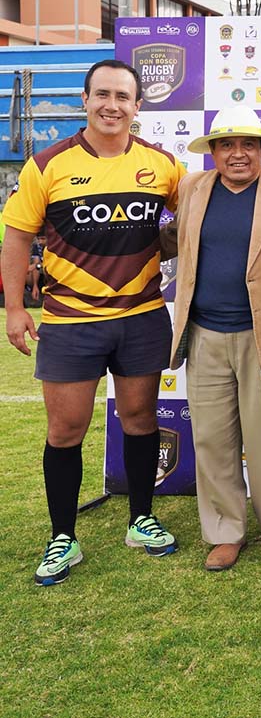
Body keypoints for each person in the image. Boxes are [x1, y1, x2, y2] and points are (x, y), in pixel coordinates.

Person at [2, 59, 186, 586]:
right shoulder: (47, 165)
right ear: (85, 100)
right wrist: (16, 307)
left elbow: (197, 214)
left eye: (123, 96)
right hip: (69, 320)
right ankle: (63, 536)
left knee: (140, 420)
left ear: (137, 106)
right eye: (102, 94)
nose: (112, 105)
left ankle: (141, 520)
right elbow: (16, 237)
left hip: (143, 315)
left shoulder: (163, 165)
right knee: (65, 430)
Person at [163, 106, 261, 571]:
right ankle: (224, 530)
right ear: (212, 152)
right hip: (205, 335)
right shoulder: (191, 189)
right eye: (227, 145)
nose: (238, 154)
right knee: (212, 439)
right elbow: (168, 241)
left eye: (248, 145)